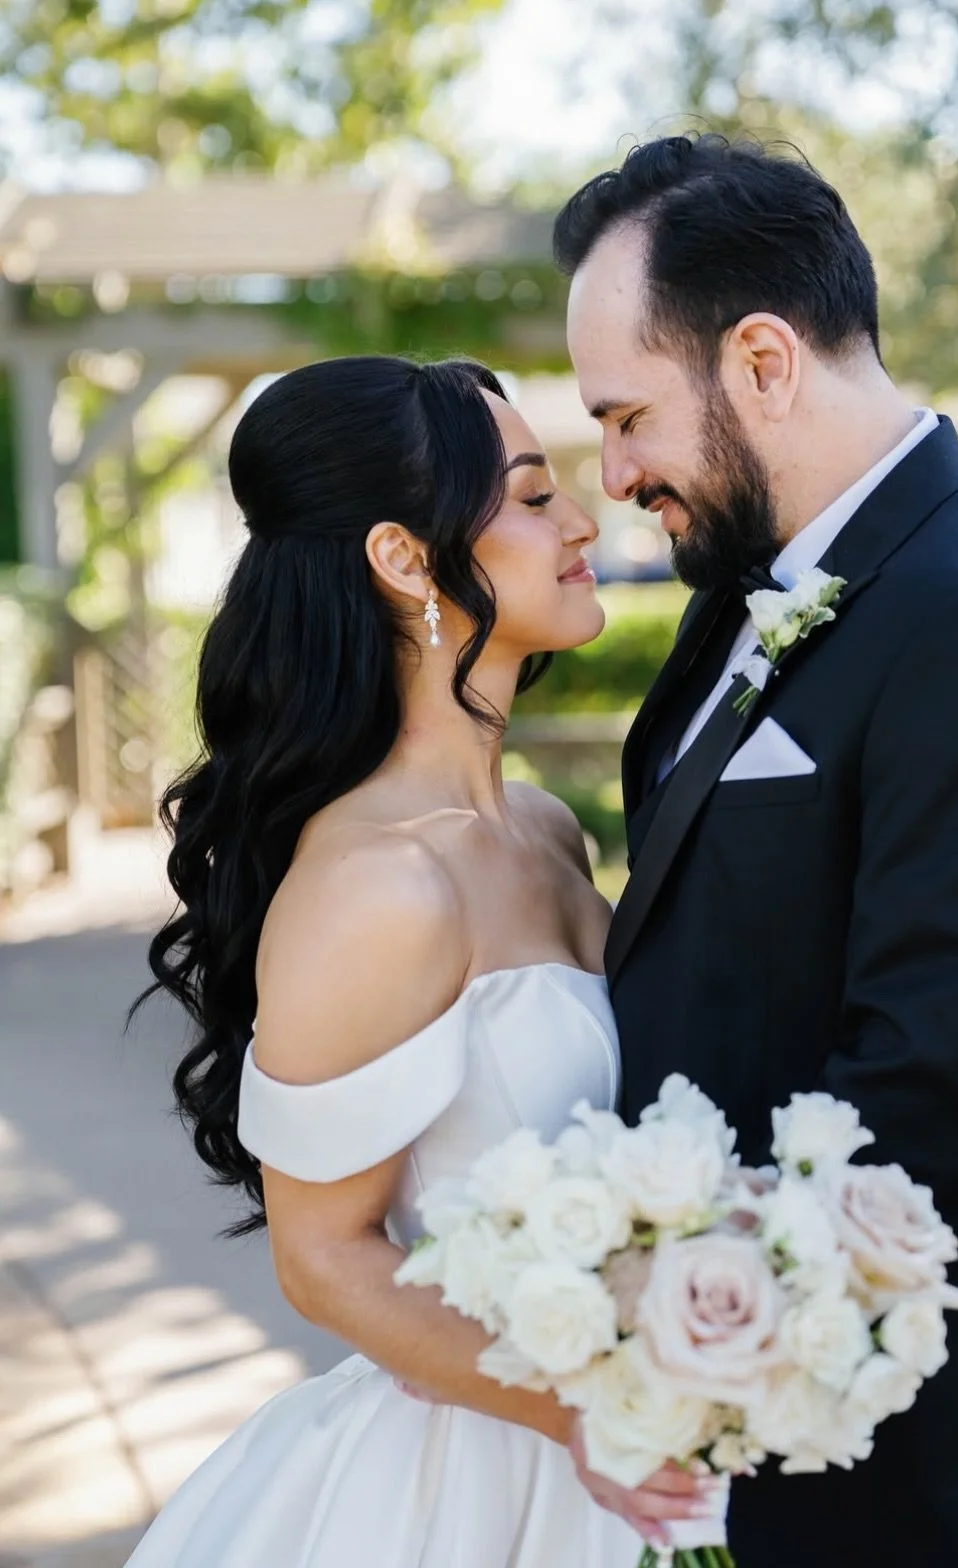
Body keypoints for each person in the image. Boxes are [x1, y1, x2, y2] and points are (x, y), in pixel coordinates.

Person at [556, 134, 958, 1568]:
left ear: (760, 361)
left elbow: (925, 1091)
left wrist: (630, 1326)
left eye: (627, 417)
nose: (614, 475)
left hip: (929, 1481)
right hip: (737, 1455)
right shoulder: (740, 588)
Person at [126, 356, 712, 1566]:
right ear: (403, 558)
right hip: (488, 1473)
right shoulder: (375, 883)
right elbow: (325, 1255)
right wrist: (589, 1415)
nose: (581, 518)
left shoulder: (546, 829)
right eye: (535, 494)